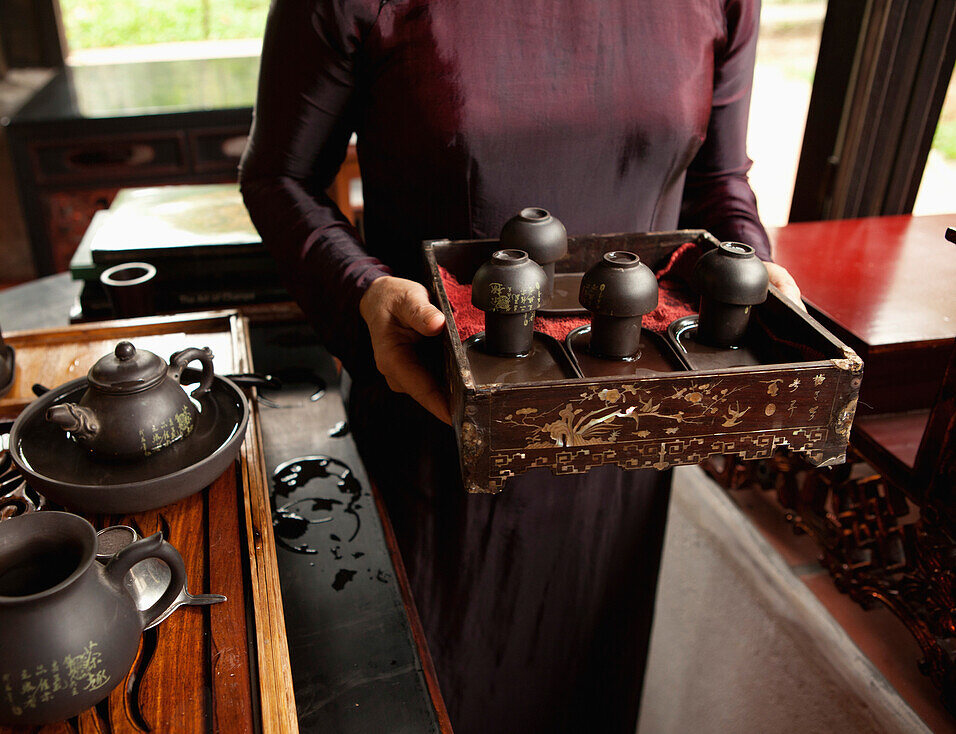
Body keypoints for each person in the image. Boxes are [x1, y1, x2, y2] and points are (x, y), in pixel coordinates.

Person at [240, 1, 802, 731]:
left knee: (591, 677)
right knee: (435, 688)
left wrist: (748, 260)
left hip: (625, 436)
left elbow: (717, 177)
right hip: (442, 418)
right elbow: (278, 176)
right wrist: (362, 293)